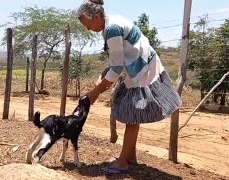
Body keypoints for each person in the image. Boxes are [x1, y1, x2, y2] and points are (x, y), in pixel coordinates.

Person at [77, 0, 182, 176]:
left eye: (88, 25)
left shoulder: (112, 29)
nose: (88, 29)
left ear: (96, 16)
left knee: (131, 115)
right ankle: (130, 156)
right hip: (138, 66)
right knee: (129, 113)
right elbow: (118, 59)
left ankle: (123, 162)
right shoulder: (112, 23)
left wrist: (95, 92)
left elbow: (117, 67)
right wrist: (106, 72)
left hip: (142, 69)